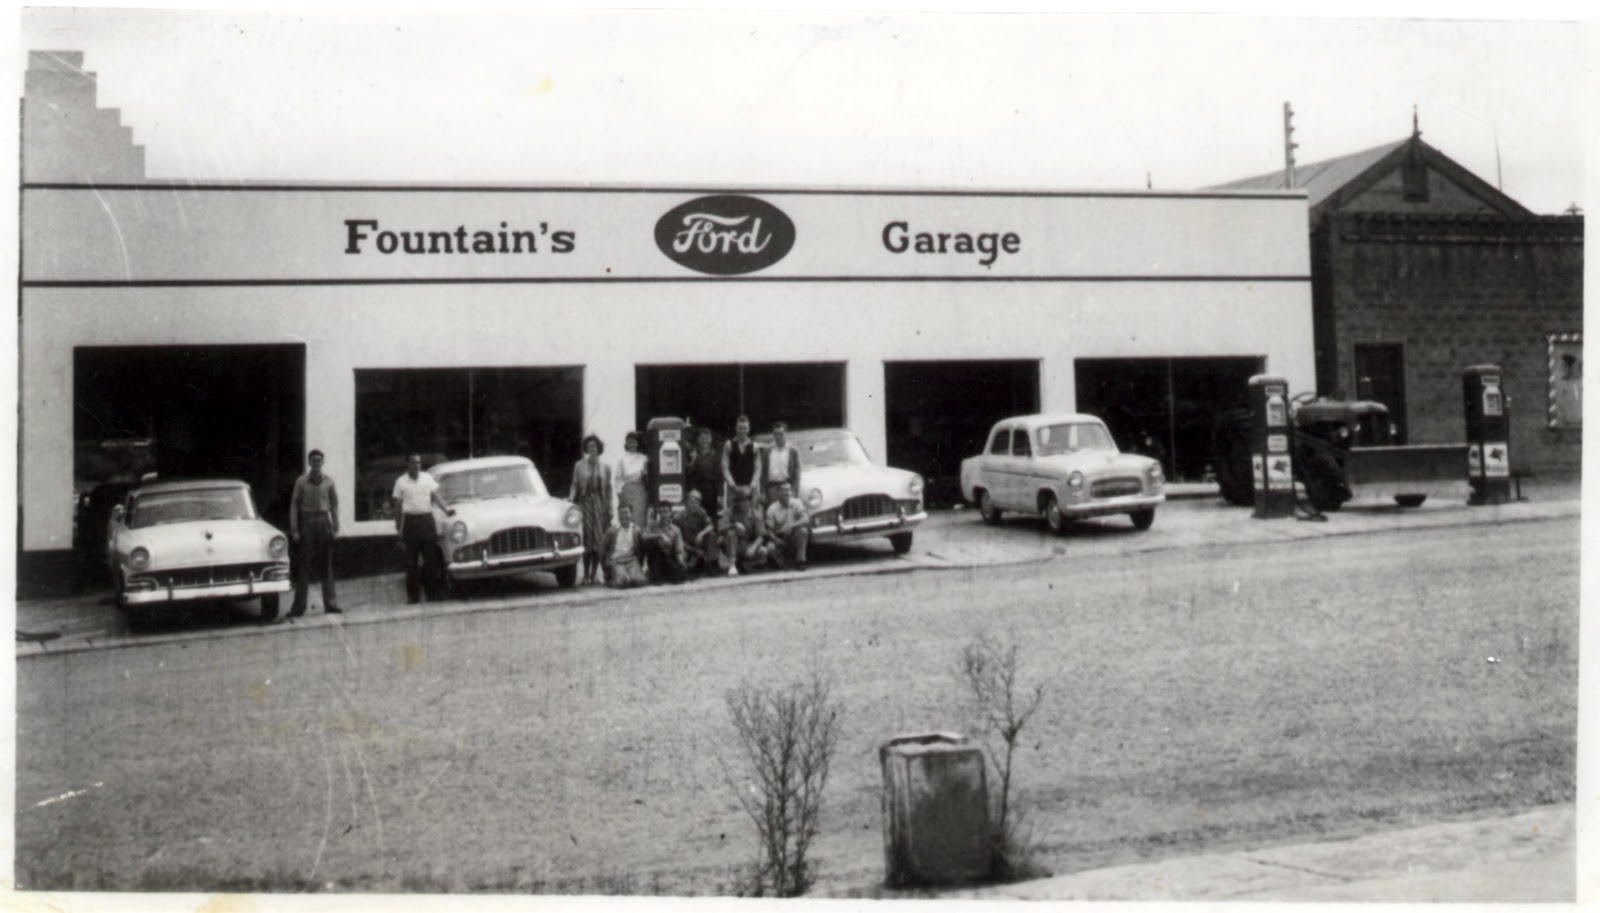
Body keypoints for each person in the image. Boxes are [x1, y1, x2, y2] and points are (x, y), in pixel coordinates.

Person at [392, 453, 456, 604]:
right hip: (410, 523)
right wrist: (398, 529)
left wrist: (446, 510)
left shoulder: (427, 478)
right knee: (411, 562)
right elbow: (397, 507)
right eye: (414, 463)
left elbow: (436, 496)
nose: (417, 466)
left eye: (419, 463)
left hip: (427, 521)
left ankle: (432, 594)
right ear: (407, 464)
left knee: (430, 560)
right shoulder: (400, 482)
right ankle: (413, 597)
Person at [288, 449, 341, 617]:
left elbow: (334, 504)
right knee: (304, 566)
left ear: (322, 462)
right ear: (309, 462)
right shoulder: (301, 482)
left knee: (326, 565)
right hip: (307, 524)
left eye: (319, 460)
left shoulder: (329, 482)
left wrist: (336, 525)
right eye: (313, 460)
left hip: (324, 523)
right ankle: (298, 607)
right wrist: (295, 529)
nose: (316, 463)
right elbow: (295, 505)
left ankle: (330, 604)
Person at [570, 434, 613, 585]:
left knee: (598, 540)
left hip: (600, 505)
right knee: (587, 539)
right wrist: (571, 499)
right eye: (589, 446)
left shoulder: (606, 467)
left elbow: (608, 489)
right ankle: (585, 575)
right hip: (585, 504)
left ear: (598, 448)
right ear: (586, 448)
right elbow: (575, 485)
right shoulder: (579, 465)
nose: (591, 448)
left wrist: (611, 507)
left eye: (594, 446)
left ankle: (595, 574)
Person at [717, 486, 770, 577]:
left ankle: (744, 563)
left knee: (763, 551)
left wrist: (753, 547)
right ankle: (732, 565)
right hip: (730, 545)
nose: (743, 503)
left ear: (750, 501)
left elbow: (761, 536)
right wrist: (733, 525)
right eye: (740, 501)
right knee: (731, 533)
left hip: (747, 545)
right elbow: (720, 528)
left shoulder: (756, 515)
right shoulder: (729, 512)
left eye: (745, 500)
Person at [763, 480, 811, 571]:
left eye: (788, 490)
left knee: (803, 531)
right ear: (778, 492)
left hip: (793, 534)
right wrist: (776, 540)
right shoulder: (772, 508)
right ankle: (780, 560)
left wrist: (791, 526)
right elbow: (768, 530)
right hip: (778, 537)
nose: (786, 492)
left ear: (791, 492)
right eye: (783, 490)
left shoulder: (797, 503)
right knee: (770, 548)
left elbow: (805, 519)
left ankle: (801, 561)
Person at [601, 503, 647, 588]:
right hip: (616, 561)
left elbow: (641, 550)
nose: (624, 516)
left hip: (631, 561)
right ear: (618, 515)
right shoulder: (611, 531)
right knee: (623, 583)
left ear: (631, 514)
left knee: (640, 581)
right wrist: (605, 569)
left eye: (626, 513)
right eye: (621, 513)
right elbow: (602, 551)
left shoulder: (636, 530)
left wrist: (639, 565)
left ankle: (631, 574)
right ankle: (612, 579)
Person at [641, 500, 688, 585]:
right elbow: (643, 536)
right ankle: (654, 573)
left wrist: (681, 563)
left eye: (666, 512)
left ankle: (662, 574)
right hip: (655, 558)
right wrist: (659, 535)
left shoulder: (676, 529)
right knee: (651, 545)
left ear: (670, 513)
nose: (663, 515)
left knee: (680, 576)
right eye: (661, 512)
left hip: (668, 557)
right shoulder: (652, 526)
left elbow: (678, 548)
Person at [676, 488, 717, 577]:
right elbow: (677, 539)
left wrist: (701, 534)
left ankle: (712, 565)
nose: (694, 505)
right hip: (685, 546)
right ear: (686, 503)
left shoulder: (701, 512)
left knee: (712, 535)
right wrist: (694, 551)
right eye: (692, 502)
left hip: (698, 542)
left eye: (697, 503)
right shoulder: (678, 517)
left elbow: (711, 526)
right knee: (682, 563)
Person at [685, 426, 724, 520]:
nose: (704, 441)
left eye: (706, 438)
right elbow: (688, 474)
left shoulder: (715, 456)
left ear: (710, 440)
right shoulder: (692, 455)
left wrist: (720, 495)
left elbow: (720, 477)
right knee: (696, 516)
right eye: (702, 438)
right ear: (698, 440)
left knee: (711, 517)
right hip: (697, 490)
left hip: (711, 491)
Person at [760, 420, 802, 503]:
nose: (778, 436)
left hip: (787, 489)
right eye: (776, 434)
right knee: (772, 513)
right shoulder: (767, 451)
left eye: (781, 434)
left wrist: (794, 491)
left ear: (786, 434)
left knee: (788, 514)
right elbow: (762, 473)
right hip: (771, 489)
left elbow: (797, 474)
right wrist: (762, 492)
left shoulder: (793, 451)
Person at [722, 414, 760, 506]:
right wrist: (733, 485)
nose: (742, 431)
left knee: (751, 516)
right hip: (733, 488)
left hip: (749, 488)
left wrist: (752, 486)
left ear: (748, 429)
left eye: (744, 428)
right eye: (740, 428)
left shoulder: (755, 446)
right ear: (736, 428)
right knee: (733, 516)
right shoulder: (729, 445)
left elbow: (758, 468)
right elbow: (724, 467)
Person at [616, 431, 649, 533]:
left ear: (637, 443)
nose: (631, 444)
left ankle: (640, 542)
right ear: (626, 443)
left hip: (640, 490)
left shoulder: (644, 458)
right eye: (629, 442)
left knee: (639, 518)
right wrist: (619, 494)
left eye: (633, 442)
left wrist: (645, 475)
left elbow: (647, 477)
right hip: (627, 490)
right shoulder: (621, 458)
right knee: (628, 517)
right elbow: (618, 478)